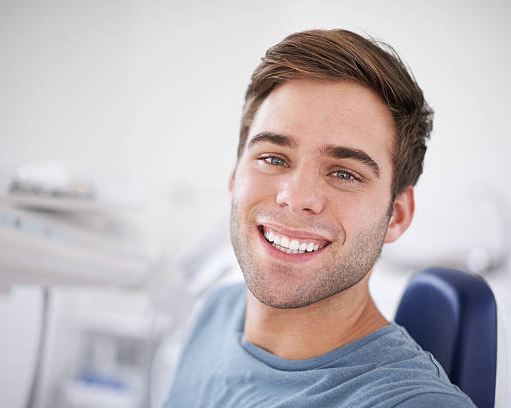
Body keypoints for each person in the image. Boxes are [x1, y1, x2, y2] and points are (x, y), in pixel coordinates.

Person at [163, 29, 476, 407]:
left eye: (344, 173)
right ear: (234, 177)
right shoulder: (217, 310)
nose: (295, 198)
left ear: (397, 215)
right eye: (273, 158)